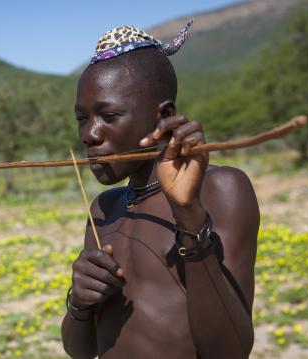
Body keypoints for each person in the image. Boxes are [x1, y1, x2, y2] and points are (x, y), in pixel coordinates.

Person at [61, 20, 260, 359]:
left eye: (108, 115)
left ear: (163, 115)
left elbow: (229, 352)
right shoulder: (104, 208)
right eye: (83, 118)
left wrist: (188, 213)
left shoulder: (221, 190)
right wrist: (79, 301)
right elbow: (82, 351)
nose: (89, 134)